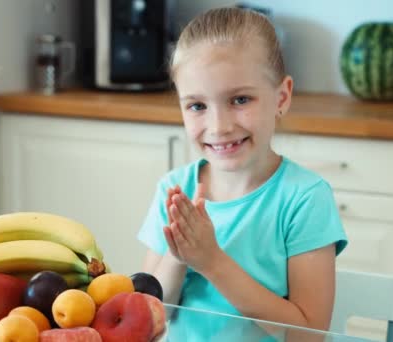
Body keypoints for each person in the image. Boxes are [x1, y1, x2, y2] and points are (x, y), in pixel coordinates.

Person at [137, 6, 348, 339]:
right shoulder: (175, 188)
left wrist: (211, 262)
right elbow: (148, 320)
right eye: (197, 106)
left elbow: (307, 334)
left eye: (240, 100)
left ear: (282, 97)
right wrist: (179, 256)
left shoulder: (304, 199)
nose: (219, 127)